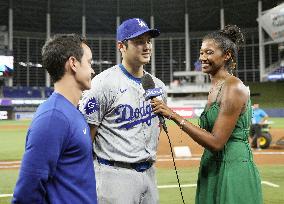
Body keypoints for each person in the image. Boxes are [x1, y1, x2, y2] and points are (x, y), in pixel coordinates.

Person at [151, 25, 263, 204]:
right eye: (201, 52)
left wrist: (173, 115)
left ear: (227, 55)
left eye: (209, 52)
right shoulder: (215, 87)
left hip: (233, 169)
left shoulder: (233, 86)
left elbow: (217, 142)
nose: (202, 57)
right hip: (212, 167)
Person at [78, 18, 166, 204]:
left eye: (148, 41)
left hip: (149, 173)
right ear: (122, 46)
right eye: (139, 41)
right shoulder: (102, 84)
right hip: (114, 175)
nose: (146, 46)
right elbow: (86, 138)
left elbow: (155, 131)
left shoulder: (158, 86)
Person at [12, 34, 98, 204]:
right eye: (89, 62)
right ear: (73, 63)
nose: (93, 70)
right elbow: (26, 194)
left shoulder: (71, 112)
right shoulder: (53, 118)